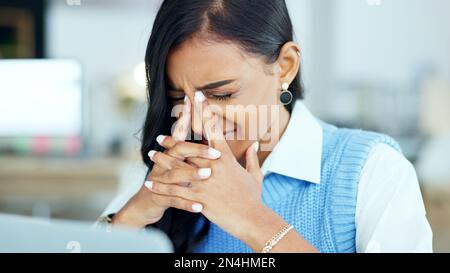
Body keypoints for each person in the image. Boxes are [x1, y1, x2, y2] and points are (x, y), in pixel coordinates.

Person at [100, 0, 433, 253]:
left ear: (285, 67)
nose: (197, 120)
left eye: (223, 94)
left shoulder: (371, 170)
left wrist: (251, 219)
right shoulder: (164, 176)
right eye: (177, 96)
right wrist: (129, 220)